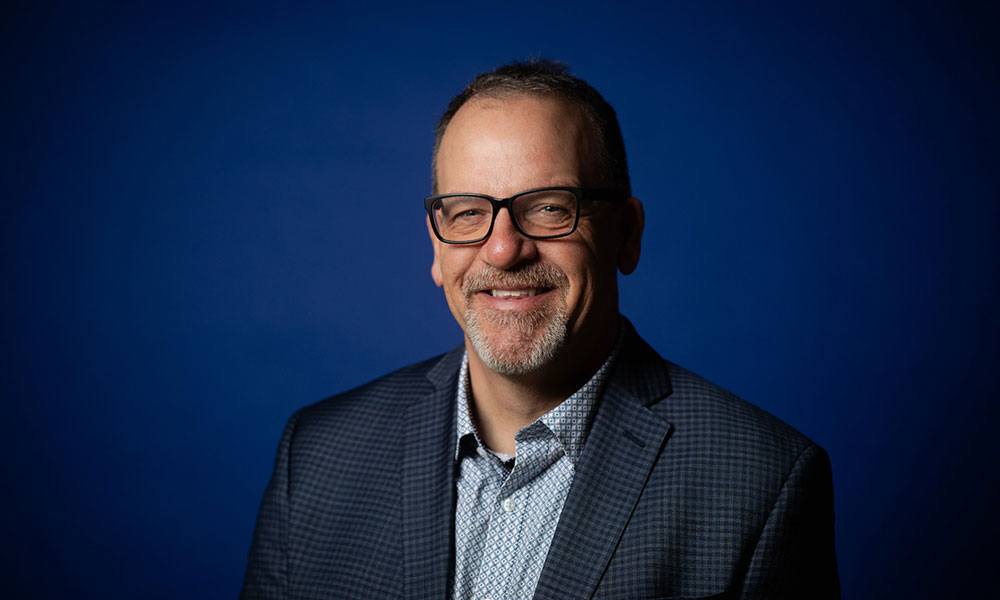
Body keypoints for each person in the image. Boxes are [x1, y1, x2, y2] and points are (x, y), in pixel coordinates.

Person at [240, 59, 839, 599]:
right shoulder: (316, 456)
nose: (502, 251)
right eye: (469, 212)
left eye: (550, 207)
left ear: (626, 234)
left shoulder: (762, 482)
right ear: (436, 242)